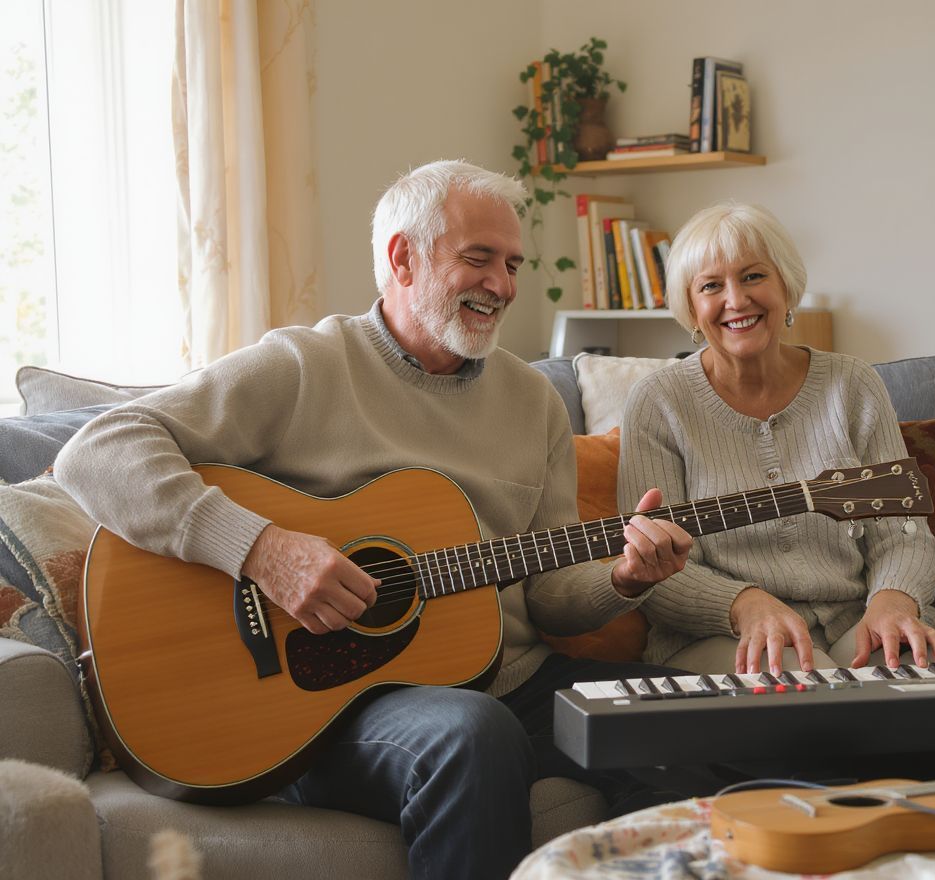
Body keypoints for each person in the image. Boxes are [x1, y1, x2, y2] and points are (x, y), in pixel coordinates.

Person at [54, 160, 692, 880]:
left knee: (667, 716)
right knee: (470, 734)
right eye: (479, 258)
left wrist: (623, 577)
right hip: (330, 699)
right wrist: (260, 548)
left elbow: (545, 592)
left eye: (513, 264)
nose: (505, 286)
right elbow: (96, 450)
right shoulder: (303, 365)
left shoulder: (532, 402)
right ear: (402, 257)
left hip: (510, 676)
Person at [617, 202, 935, 678]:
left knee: (921, 682)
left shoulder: (852, 384)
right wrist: (744, 603)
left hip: (854, 621)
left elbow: (902, 532)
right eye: (711, 286)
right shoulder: (658, 403)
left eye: (754, 276)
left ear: (786, 286)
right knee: (805, 691)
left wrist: (892, 601)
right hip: (721, 636)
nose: (736, 300)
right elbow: (653, 568)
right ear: (691, 308)